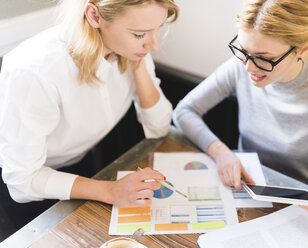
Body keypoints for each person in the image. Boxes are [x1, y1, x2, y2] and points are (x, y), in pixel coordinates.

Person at [173, 0, 308, 229]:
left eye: (264, 58)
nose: (249, 67)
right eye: (243, 51)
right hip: (242, 193)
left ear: (302, 49)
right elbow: (184, 112)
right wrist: (220, 152)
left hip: (301, 207)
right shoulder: (240, 67)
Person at [0, 0, 179, 223]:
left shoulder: (130, 49)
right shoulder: (34, 72)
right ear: (94, 16)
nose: (154, 45)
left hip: (80, 160)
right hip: (27, 181)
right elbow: (22, 180)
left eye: (158, 27)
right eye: (140, 34)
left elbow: (158, 126)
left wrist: (138, 64)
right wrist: (109, 191)